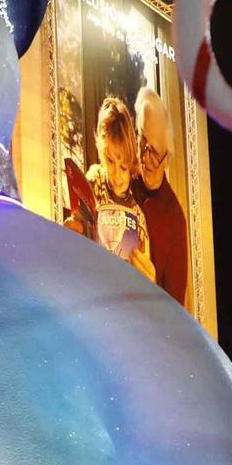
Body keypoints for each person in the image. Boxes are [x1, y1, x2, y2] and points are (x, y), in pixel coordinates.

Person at [85, 96, 155, 281]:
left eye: (123, 167)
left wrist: (146, 280)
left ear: (132, 165)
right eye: (110, 160)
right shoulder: (93, 181)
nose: (117, 175)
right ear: (101, 153)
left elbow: (143, 270)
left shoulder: (138, 216)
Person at [131, 87, 189, 306]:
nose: (145, 157)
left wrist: (151, 285)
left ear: (166, 159)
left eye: (153, 151)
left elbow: (176, 314)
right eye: (141, 140)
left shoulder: (175, 219)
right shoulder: (123, 179)